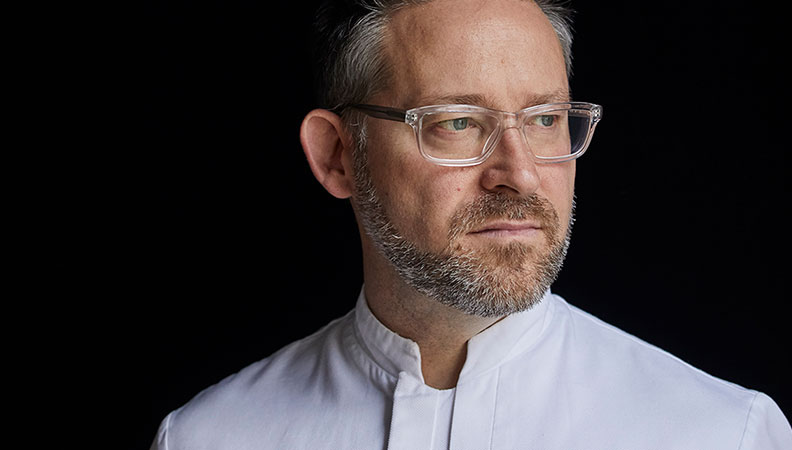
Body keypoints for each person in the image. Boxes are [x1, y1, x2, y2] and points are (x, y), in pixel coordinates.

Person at [150, 0, 792, 448]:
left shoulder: (723, 434)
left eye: (545, 120)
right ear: (337, 155)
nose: (521, 174)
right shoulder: (207, 438)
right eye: (457, 122)